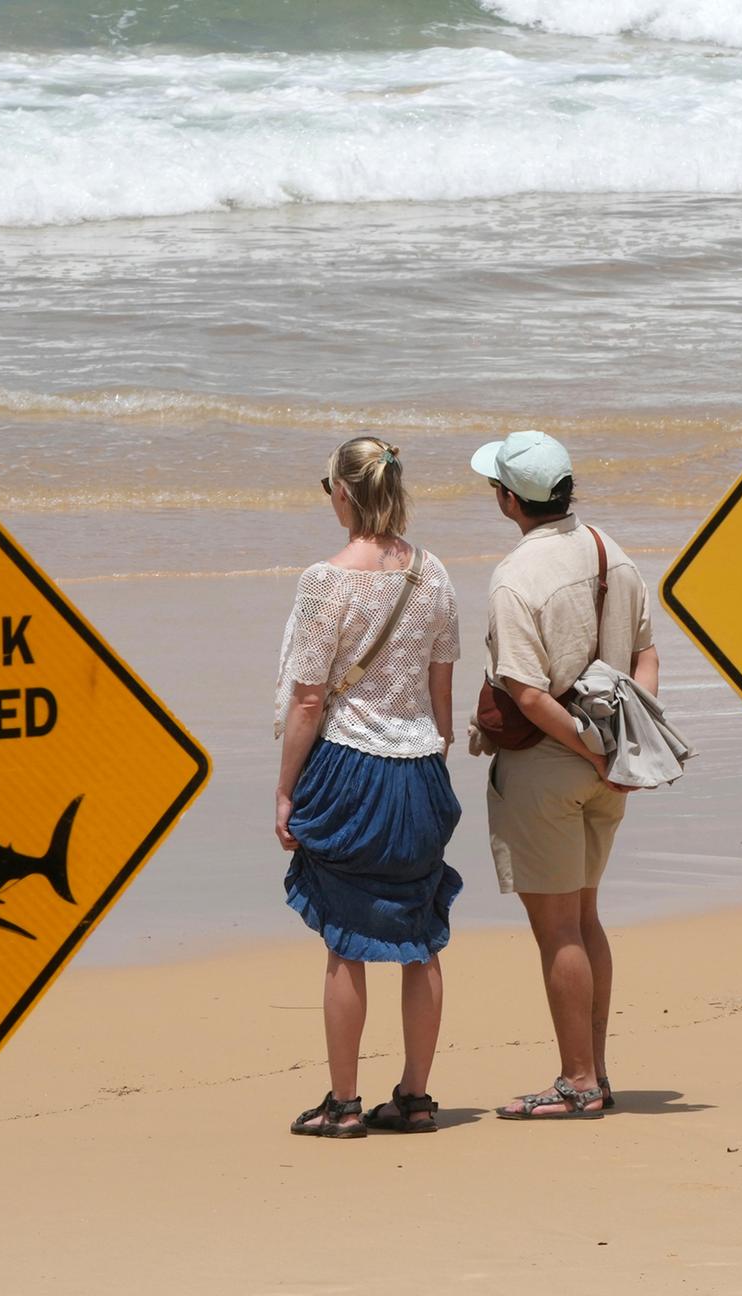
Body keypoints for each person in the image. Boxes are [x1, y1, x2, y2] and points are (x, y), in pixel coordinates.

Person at [468, 429, 658, 1120]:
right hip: (608, 769)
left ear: (510, 501)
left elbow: (527, 694)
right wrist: (623, 752)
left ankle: (578, 1081)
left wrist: (588, 751)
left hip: (553, 767)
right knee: (585, 917)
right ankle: (596, 1071)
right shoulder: (613, 551)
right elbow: (645, 657)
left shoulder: (516, 577)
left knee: (558, 932)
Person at [275, 435, 462, 1138]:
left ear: (343, 494)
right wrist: (435, 759)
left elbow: (305, 700)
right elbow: (442, 684)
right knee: (423, 936)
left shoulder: (326, 580)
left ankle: (344, 1103)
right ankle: (415, 1096)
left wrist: (286, 790)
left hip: (351, 768)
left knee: (345, 939)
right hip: (418, 769)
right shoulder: (434, 572)